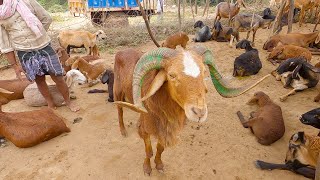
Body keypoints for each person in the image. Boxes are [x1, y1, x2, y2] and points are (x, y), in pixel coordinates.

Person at [0, 0, 79, 112]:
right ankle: (50, 104)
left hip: (44, 46)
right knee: (39, 80)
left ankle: (68, 102)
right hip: (24, 52)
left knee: (58, 78)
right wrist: (15, 66)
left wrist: (38, 33)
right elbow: (5, 44)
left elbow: (46, 18)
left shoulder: (26, 2)